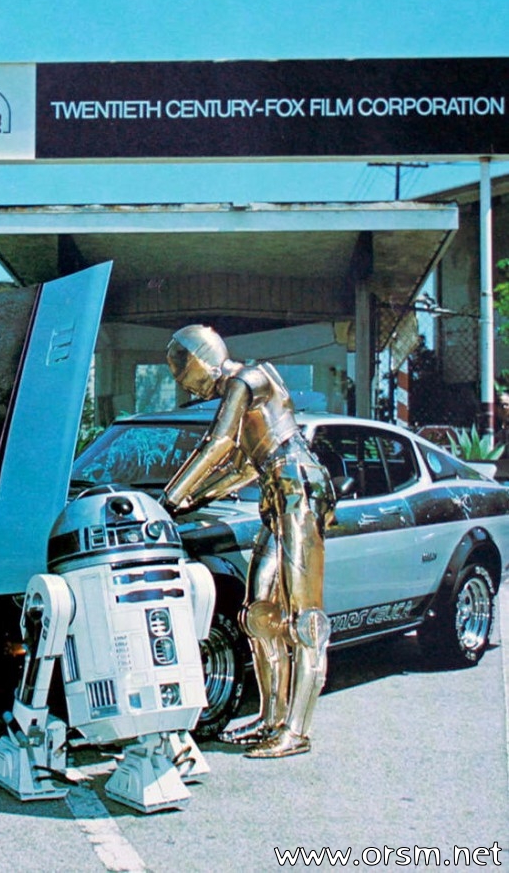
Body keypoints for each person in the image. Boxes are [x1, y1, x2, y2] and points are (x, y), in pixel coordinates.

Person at [160, 325, 335, 758]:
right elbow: (241, 468)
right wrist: (190, 499)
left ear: (200, 360)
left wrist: (171, 498)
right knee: (259, 614)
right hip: (277, 494)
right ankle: (271, 719)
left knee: (304, 619)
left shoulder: (247, 379)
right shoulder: (244, 391)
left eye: (182, 368)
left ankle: (296, 731)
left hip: (299, 490)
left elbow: (218, 443)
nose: (183, 382)